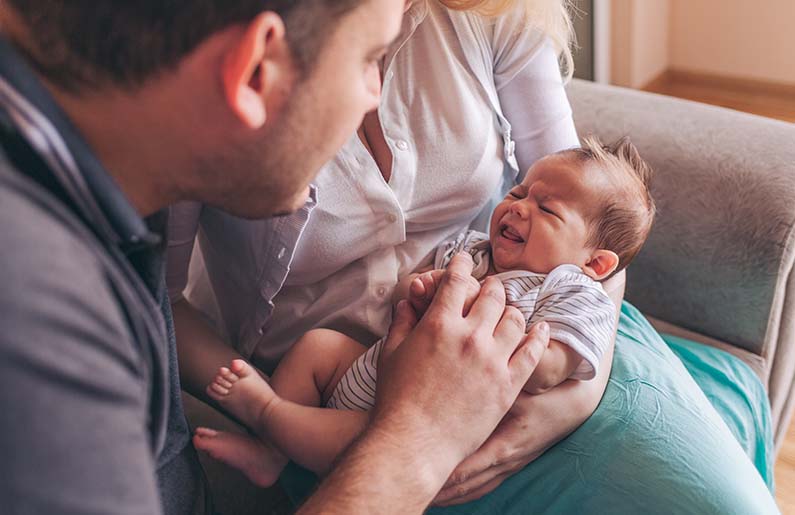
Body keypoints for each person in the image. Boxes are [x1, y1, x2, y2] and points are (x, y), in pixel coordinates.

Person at [0, 1, 550, 514]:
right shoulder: (36, 319)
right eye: (367, 60)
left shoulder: (92, 186)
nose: (374, 94)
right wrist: (421, 438)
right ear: (254, 71)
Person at [168, 0, 625, 505]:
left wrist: (563, 406)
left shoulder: (491, 12)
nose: (373, 91)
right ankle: (272, 437)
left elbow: (591, 238)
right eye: (517, 196)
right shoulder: (210, 48)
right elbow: (161, 299)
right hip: (336, 381)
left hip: (499, 377)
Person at [193, 136, 656, 484]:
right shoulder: (473, 251)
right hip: (374, 369)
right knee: (318, 346)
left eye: (547, 209)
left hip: (426, 412)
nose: (517, 209)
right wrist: (420, 290)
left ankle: (271, 414)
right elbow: (403, 298)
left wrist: (501, 331)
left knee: (368, 445)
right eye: (517, 194)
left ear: (594, 262)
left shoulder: (569, 287)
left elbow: (555, 366)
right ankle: (269, 455)